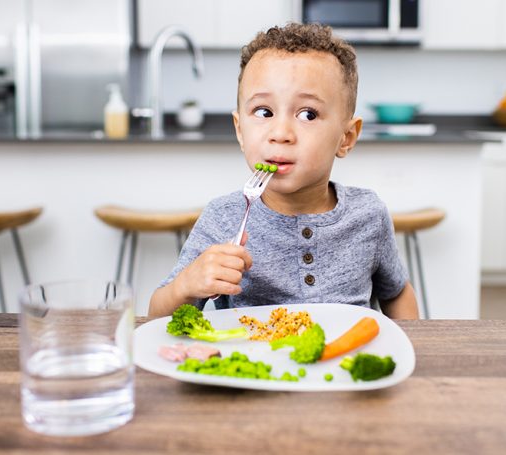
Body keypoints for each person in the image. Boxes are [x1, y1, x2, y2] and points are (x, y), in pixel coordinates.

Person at [149, 23, 419, 320]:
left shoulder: (369, 214)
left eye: (308, 114)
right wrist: (187, 286)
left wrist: (411, 346)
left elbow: (397, 293)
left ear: (347, 137)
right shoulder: (222, 218)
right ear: (240, 130)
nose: (280, 133)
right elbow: (158, 316)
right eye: (264, 112)